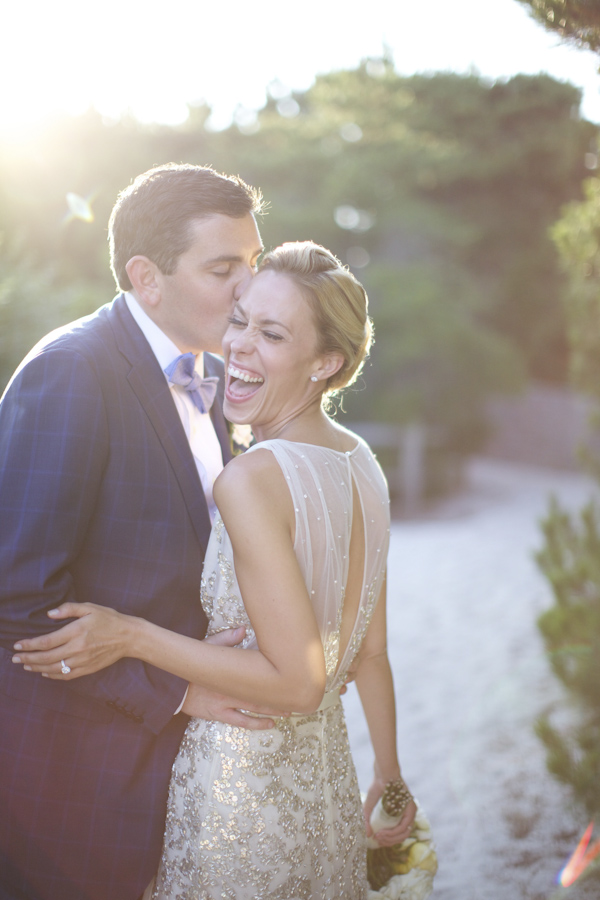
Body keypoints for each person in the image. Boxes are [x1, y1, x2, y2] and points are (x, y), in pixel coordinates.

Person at [13, 242, 418, 899]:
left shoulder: (252, 480)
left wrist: (130, 635)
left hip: (236, 788)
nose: (239, 345)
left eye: (272, 333)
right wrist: (390, 778)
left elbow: (298, 685)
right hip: (326, 790)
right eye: (241, 320)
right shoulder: (361, 462)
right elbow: (371, 653)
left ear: (327, 363)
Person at [0, 163, 281, 900]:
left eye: (252, 264)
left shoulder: (212, 376)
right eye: (224, 268)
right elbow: (18, 604)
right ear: (146, 277)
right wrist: (178, 692)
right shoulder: (72, 372)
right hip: (71, 782)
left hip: (169, 768)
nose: (248, 289)